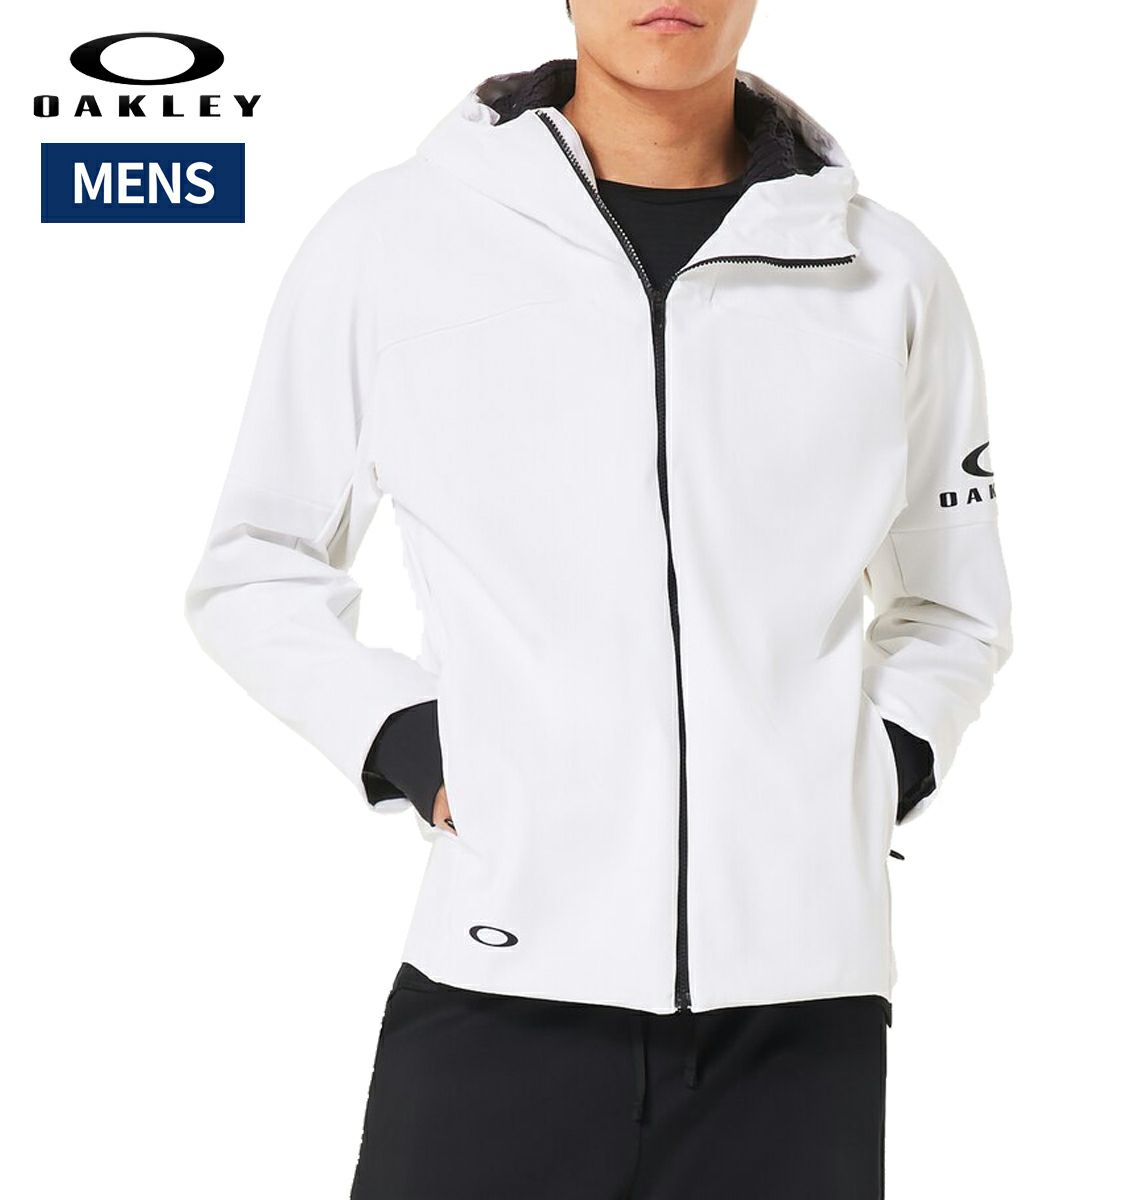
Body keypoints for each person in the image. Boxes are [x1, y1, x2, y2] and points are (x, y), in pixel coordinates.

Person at [184, 1, 1013, 1195]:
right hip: (499, 988)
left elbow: (953, 605)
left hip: (800, 1020)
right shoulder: (396, 240)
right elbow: (256, 560)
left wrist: (878, 767)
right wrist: (414, 743)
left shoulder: (886, 272)